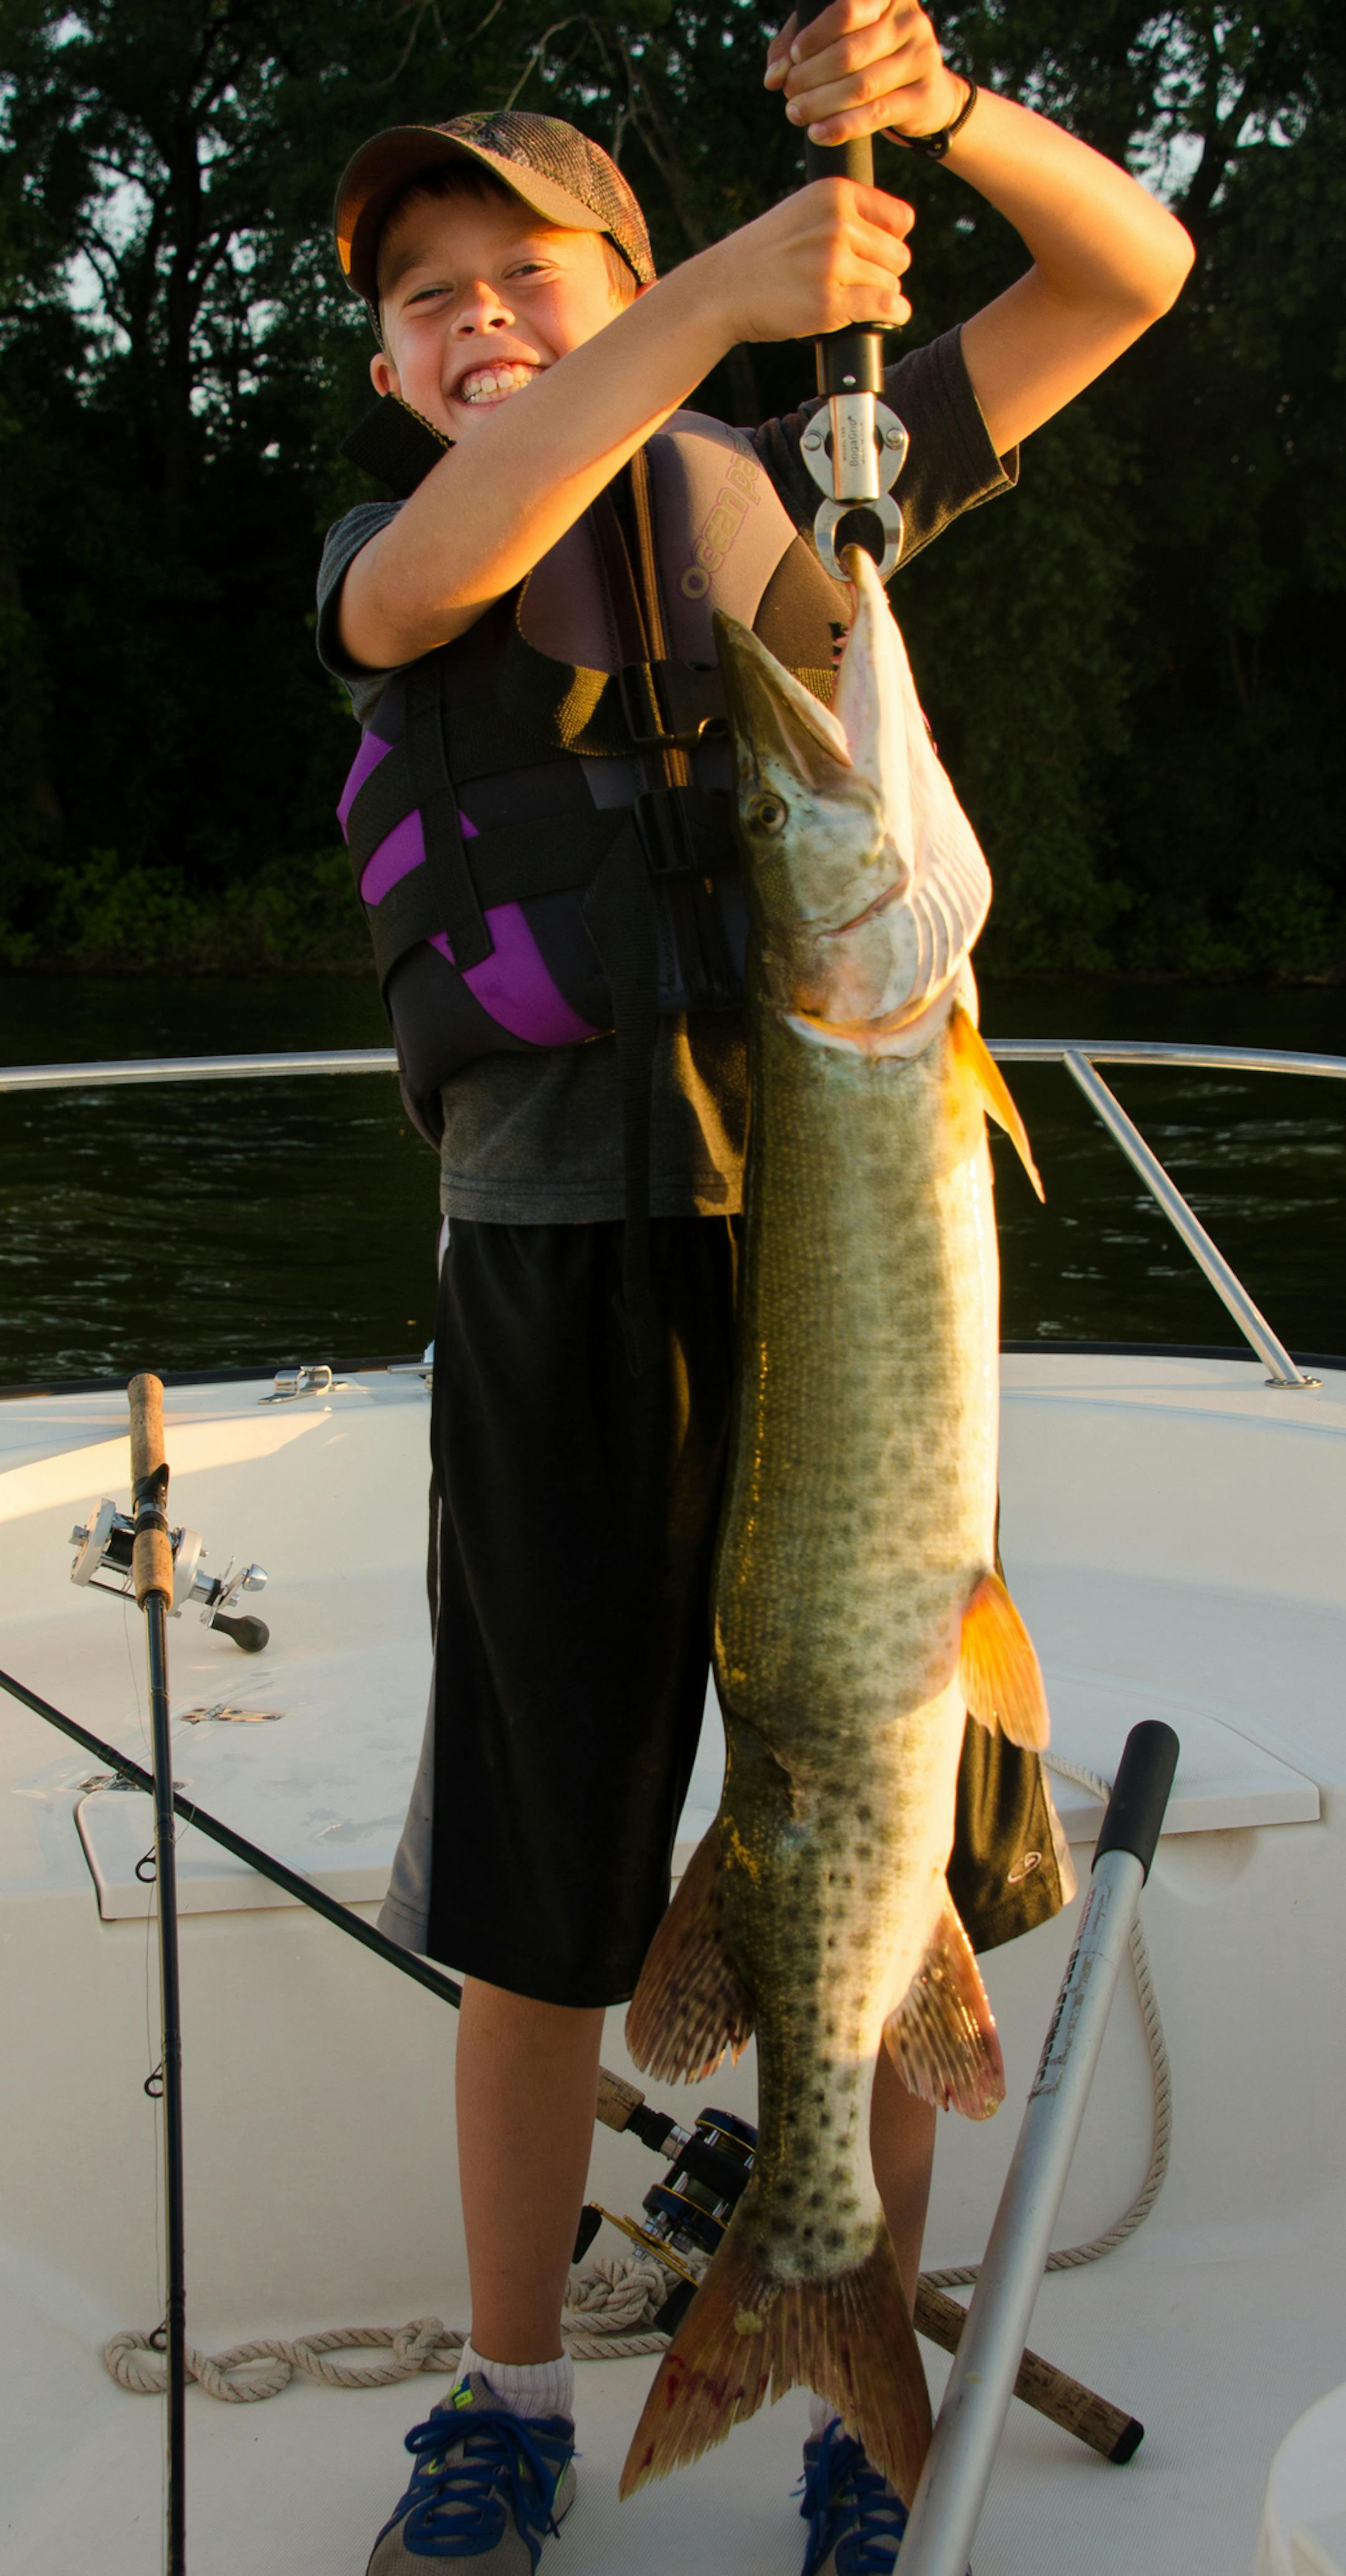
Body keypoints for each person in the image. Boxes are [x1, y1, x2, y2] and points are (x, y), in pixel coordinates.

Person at [316, 12, 1192, 2569]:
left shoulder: (775, 524)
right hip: (559, 1282)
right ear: (390, 361)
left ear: (616, 271)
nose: (486, 316)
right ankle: (501, 2402)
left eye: (532, 268)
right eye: (436, 296)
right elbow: (435, 562)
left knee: (877, 1835)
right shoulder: (414, 550)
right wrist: (696, 298)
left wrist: (938, 128)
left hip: (827, 1250)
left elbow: (1127, 269)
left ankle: (848, 2380)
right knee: (541, 1883)